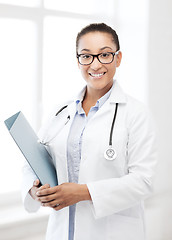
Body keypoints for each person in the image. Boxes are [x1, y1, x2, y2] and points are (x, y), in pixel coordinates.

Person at [22, 23, 157, 240]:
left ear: (118, 58)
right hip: (62, 231)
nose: (95, 65)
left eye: (104, 55)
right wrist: (34, 190)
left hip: (113, 232)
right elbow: (33, 163)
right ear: (78, 61)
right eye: (86, 56)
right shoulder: (60, 112)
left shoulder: (136, 113)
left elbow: (144, 181)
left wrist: (82, 192)